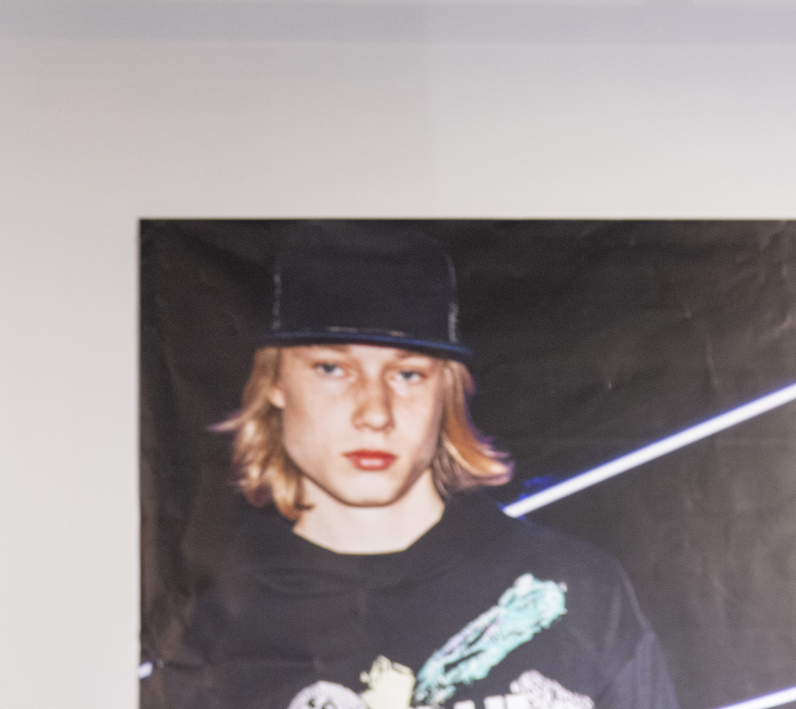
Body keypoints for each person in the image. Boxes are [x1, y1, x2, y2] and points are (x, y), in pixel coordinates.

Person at [146, 222, 681, 709]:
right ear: (275, 383)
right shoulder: (205, 625)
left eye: (408, 374)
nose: (375, 413)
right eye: (332, 368)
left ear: (445, 391)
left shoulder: (574, 589)